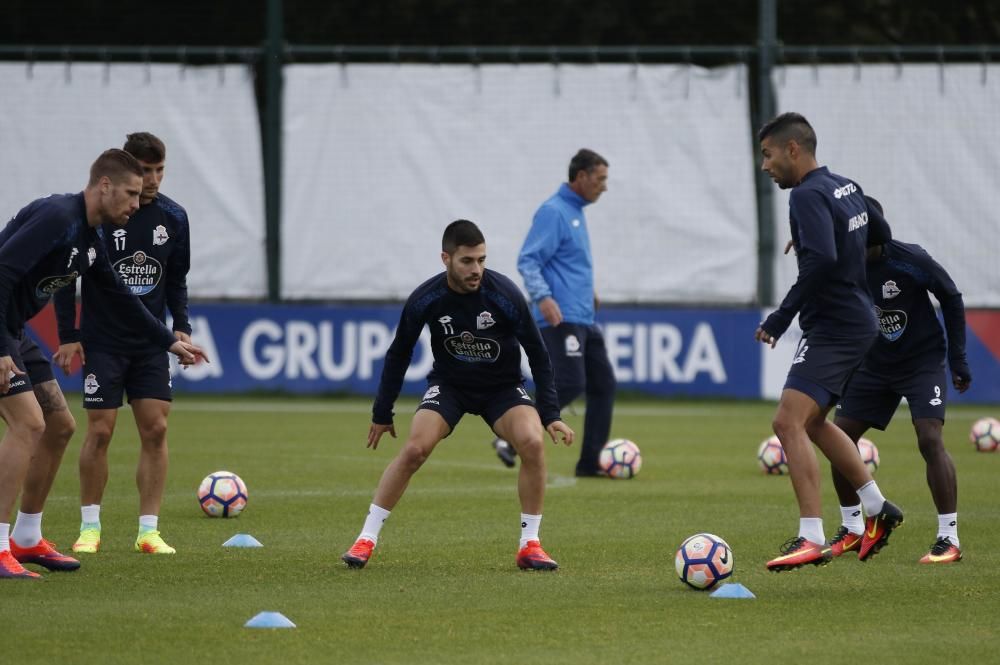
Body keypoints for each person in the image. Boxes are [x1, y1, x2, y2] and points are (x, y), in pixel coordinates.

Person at [0, 149, 205, 579]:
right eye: (130, 193)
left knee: (59, 425)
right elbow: (1, 272)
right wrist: (2, 347)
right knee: (29, 424)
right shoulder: (59, 217)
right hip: (3, 333)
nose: (137, 202)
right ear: (104, 186)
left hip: (14, 330)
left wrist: (170, 341)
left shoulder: (90, 239)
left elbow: (119, 296)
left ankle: (26, 537)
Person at [341, 220, 574, 571]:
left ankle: (530, 545)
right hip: (450, 386)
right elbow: (399, 353)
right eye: (467, 261)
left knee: (533, 441)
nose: (476, 269)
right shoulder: (426, 297)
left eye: (481, 259)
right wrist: (382, 411)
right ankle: (365, 540)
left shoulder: (505, 294)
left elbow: (538, 354)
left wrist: (551, 413)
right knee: (415, 449)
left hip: (502, 388)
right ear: (445, 258)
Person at [755, 112, 902, 572]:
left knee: (787, 423)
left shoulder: (805, 195)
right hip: (857, 320)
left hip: (836, 324)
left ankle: (810, 535)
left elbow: (819, 264)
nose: (765, 165)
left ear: (793, 149)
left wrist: (779, 318)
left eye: (768, 154)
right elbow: (880, 234)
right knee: (814, 422)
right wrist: (822, 242)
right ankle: (877, 508)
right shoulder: (845, 186)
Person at [52, 132, 192, 555]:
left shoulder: (174, 217)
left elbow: (177, 279)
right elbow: (67, 277)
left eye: (159, 170)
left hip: (151, 343)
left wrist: (180, 325)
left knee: (157, 428)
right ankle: (90, 527)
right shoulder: (104, 216)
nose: (152, 180)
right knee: (100, 431)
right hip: (104, 341)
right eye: (145, 171)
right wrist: (70, 336)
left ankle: (148, 531)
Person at [826, 197, 970, 564]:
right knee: (838, 437)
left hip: (921, 361)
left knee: (929, 438)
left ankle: (948, 538)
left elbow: (950, 296)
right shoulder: (845, 264)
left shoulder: (909, 258)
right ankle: (853, 526)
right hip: (873, 366)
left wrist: (958, 358)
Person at [503, 148, 615, 477]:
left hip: (582, 316)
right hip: (559, 317)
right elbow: (528, 259)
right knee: (570, 382)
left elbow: (568, 262)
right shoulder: (554, 211)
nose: (604, 187)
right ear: (580, 177)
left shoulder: (576, 211)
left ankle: (589, 463)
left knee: (603, 385)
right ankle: (512, 437)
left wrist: (587, 292)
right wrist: (543, 297)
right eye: (600, 179)